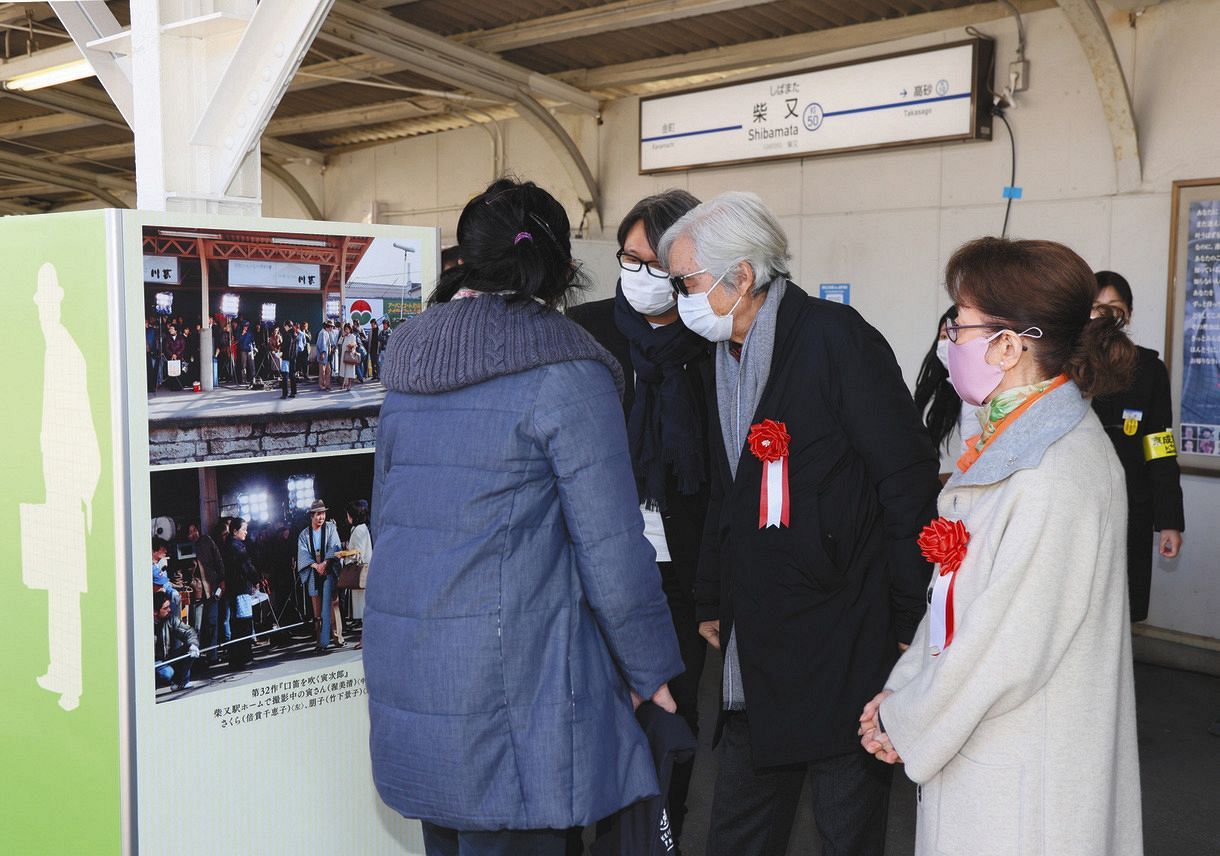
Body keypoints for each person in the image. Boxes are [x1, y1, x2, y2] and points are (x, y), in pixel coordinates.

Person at [366, 177, 683, 856]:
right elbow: (612, 549)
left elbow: (385, 517)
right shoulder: (566, 371)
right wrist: (650, 669)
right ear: (561, 268)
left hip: (415, 674)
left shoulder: (409, 365)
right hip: (516, 693)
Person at [657, 191, 940, 856]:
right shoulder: (720, 358)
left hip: (843, 629)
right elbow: (727, 494)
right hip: (758, 636)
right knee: (740, 827)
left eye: (688, 282)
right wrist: (710, 595)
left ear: (743, 276)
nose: (681, 298)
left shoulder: (835, 340)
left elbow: (904, 480)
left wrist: (907, 617)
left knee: (845, 827)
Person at [858, 237, 1142, 856]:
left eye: (959, 325)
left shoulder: (1053, 472)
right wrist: (902, 690)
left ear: (1008, 345)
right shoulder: (1017, 446)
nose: (948, 341)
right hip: (990, 750)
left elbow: (1003, 649)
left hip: (1024, 781)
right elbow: (956, 607)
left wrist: (905, 719)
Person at [567, 188, 709, 845]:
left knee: (668, 725)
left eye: (658, 263)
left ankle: (661, 834)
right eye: (631, 258)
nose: (643, 276)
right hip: (597, 566)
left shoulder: (713, 340)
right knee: (590, 725)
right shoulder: (587, 333)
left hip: (679, 574)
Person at [1090, 270, 1185, 622]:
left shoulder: (1149, 369)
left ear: (1128, 314)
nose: (1105, 315)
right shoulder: (1065, 365)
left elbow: (1160, 445)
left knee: (1119, 608)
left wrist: (1170, 520)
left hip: (1133, 504)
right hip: (1079, 504)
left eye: (1114, 307)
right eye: (1096, 307)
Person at [912, 305, 978, 459]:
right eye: (943, 337)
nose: (948, 342)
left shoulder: (981, 392)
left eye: (955, 334)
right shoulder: (961, 389)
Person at [296, 500, 343, 651]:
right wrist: (316, 565)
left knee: (332, 604)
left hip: (328, 568)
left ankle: (338, 637)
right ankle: (320, 641)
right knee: (317, 609)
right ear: (311, 516)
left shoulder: (331, 528)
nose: (321, 517)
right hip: (313, 570)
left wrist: (325, 563)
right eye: (318, 514)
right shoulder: (304, 534)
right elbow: (302, 553)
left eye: (323, 514)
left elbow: (334, 546)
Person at [222, 517, 260, 670]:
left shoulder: (228, 545)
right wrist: (256, 579)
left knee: (236, 623)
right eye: (244, 529)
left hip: (233, 589)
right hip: (240, 589)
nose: (246, 532)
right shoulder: (237, 547)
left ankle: (237, 657)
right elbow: (247, 566)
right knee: (244, 622)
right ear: (235, 531)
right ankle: (244, 657)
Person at [154, 591, 198, 691]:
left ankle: (181, 682)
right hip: (152, 663)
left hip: (166, 658)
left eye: (169, 606)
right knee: (167, 673)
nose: (169, 610)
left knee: (190, 649)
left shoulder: (170, 619)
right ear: (155, 611)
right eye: (165, 608)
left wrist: (193, 644)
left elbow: (188, 631)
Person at [343, 499, 372, 648]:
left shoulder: (359, 529)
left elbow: (358, 553)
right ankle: (364, 639)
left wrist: (345, 554)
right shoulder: (361, 528)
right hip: (363, 571)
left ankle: (364, 639)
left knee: (364, 608)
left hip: (361, 572)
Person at [338, 322, 358, 391]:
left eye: (347, 329)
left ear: (350, 329)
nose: (346, 330)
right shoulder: (344, 336)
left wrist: (351, 347)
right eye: (345, 329)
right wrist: (342, 336)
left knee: (350, 370)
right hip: (344, 354)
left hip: (350, 355)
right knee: (343, 370)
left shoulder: (353, 336)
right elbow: (339, 342)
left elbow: (355, 345)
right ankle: (343, 384)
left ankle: (349, 385)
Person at [236, 320, 255, 386]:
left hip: (250, 349)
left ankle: (253, 378)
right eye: (245, 326)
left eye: (247, 326)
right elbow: (238, 340)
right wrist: (242, 334)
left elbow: (253, 340)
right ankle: (244, 379)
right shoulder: (240, 332)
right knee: (243, 365)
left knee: (252, 364)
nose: (246, 327)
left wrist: (254, 347)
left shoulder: (250, 332)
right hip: (243, 350)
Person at [317, 319, 333, 390]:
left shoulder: (325, 332)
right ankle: (322, 385)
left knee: (327, 370)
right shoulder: (323, 333)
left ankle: (327, 384)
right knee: (323, 371)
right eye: (331, 327)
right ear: (328, 327)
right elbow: (322, 344)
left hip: (327, 355)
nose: (332, 328)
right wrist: (323, 353)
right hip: (324, 354)